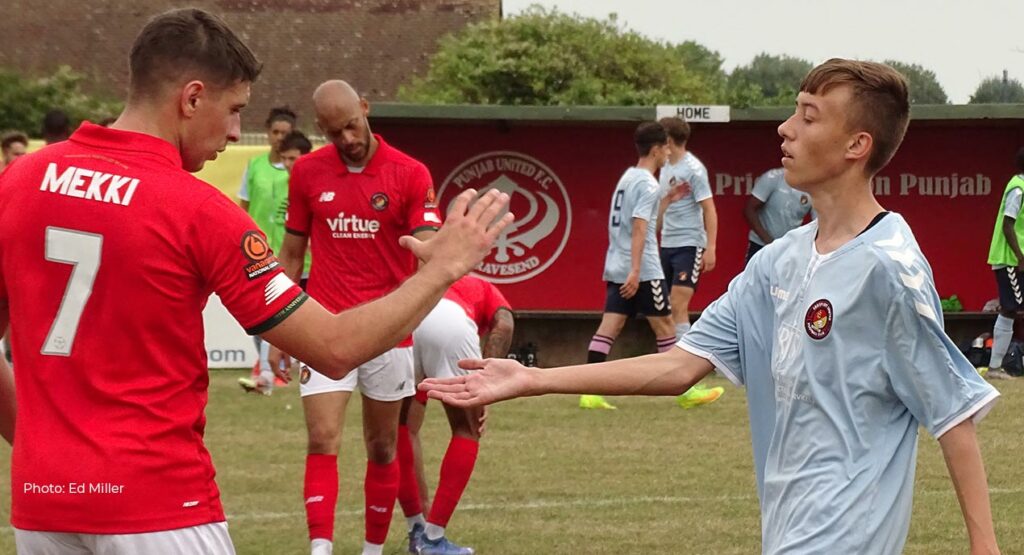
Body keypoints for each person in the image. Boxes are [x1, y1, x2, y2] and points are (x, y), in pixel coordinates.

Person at [421, 59, 1002, 555]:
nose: (785, 129)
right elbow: (680, 365)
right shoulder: (778, 262)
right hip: (785, 534)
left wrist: (985, 546)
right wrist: (532, 379)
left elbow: (951, 414)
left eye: (808, 116)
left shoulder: (889, 268)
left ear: (857, 145)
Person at [0, 9, 511, 555]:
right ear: (192, 98)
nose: (235, 131)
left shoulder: (19, 181)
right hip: (159, 506)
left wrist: (40, 444)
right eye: (235, 109)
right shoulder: (197, 209)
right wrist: (443, 268)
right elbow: (335, 348)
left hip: (44, 505)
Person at [272, 80, 445, 555]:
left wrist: (430, 252)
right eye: (334, 132)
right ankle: (320, 549)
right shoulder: (307, 173)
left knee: (383, 446)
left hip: (387, 332)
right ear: (320, 129)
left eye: (351, 125)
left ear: (365, 109)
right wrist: (278, 328)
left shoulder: (410, 173)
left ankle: (372, 549)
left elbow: (429, 246)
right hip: (322, 326)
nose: (346, 139)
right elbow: (291, 254)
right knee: (322, 438)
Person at [582, 121, 718, 411]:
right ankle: (685, 392)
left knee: (610, 326)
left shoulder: (628, 177)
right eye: (665, 148)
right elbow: (640, 227)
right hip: (643, 269)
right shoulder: (647, 183)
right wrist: (636, 270)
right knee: (666, 326)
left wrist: (667, 199)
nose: (668, 152)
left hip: (616, 263)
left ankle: (588, 393)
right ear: (656, 149)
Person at [397, 275, 514, 555]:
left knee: (401, 428)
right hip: (448, 320)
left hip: (406, 317)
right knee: (466, 429)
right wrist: (486, 380)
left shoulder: (419, 274)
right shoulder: (481, 286)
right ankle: (433, 538)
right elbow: (505, 323)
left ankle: (416, 527)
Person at [238, 129, 315, 395]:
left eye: (293, 158)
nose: (288, 165)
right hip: (275, 263)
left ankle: (294, 372)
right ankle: (266, 375)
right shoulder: (272, 179)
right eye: (286, 159)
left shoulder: (312, 188)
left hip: (310, 266)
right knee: (267, 316)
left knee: (304, 321)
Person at [657, 116, 718, 341]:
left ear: (668, 140)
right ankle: (670, 353)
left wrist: (710, 248)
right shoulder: (665, 166)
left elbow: (709, 209)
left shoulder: (694, 169)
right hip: (667, 243)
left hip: (689, 244)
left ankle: (683, 355)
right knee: (664, 308)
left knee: (677, 304)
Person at [980, 147, 1024, 380]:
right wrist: (1019, 257)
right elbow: (1008, 224)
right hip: (1010, 260)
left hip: (1016, 259)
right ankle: (995, 368)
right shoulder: (1018, 188)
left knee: (1012, 308)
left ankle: (996, 367)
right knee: (1010, 308)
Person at [743, 167, 814, 264]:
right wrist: (769, 241)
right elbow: (749, 210)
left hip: (788, 249)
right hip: (760, 246)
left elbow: (819, 223)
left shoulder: (813, 187)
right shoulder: (773, 177)